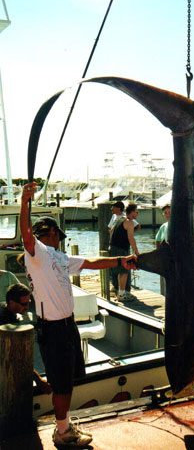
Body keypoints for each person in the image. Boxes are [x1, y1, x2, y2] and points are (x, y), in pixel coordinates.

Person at [20, 182, 137, 447]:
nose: (60, 239)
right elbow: (26, 235)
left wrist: (121, 261)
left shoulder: (59, 257)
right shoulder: (36, 254)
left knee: (68, 382)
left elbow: (91, 263)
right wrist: (25, 201)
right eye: (56, 235)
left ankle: (64, 426)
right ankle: (62, 434)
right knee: (61, 385)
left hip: (67, 325)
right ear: (48, 233)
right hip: (53, 328)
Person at [0, 283, 52, 394]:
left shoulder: (5, 308)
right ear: (11, 303)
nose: (27, 308)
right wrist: (38, 379)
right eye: (24, 304)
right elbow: (16, 356)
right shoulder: (6, 322)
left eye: (29, 303)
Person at [109, 203, 140, 302]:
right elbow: (131, 238)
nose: (137, 214)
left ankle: (118, 290)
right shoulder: (129, 222)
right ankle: (122, 294)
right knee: (124, 271)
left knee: (117, 270)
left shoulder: (119, 219)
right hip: (121, 249)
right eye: (136, 212)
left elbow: (111, 232)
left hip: (113, 248)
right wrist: (137, 252)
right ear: (131, 212)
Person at [155, 205, 170, 296]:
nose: (168, 215)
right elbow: (157, 239)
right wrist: (159, 253)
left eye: (170, 212)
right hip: (166, 258)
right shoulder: (164, 226)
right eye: (165, 213)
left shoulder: (180, 224)